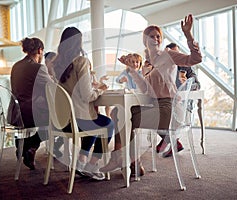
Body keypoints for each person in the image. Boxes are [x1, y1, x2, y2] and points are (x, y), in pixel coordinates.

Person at [101, 14, 202, 176]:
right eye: (151, 36)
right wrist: (130, 70)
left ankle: (126, 160)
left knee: (128, 119)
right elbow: (146, 89)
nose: (156, 39)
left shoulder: (168, 55)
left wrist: (188, 35)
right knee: (117, 112)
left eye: (158, 36)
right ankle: (129, 161)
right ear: (145, 41)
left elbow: (195, 59)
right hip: (155, 106)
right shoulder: (147, 63)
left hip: (168, 109)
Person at [52, 27, 114, 180]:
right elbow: (87, 96)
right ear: (78, 43)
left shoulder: (55, 64)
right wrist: (101, 91)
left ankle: (81, 160)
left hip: (61, 121)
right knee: (107, 124)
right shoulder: (81, 62)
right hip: (78, 121)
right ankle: (91, 164)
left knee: (94, 119)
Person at [10, 37, 54, 170]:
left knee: (51, 118)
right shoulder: (38, 68)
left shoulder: (16, 66)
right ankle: (29, 144)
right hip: (30, 113)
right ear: (40, 50)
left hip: (15, 113)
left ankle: (30, 148)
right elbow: (53, 87)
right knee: (59, 123)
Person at [154, 42, 201, 156]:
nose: (177, 56)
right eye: (174, 54)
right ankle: (173, 141)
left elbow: (197, 85)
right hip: (167, 103)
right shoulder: (163, 68)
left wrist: (188, 84)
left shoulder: (186, 67)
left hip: (183, 105)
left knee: (158, 115)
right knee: (154, 114)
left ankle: (169, 141)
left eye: (178, 53)